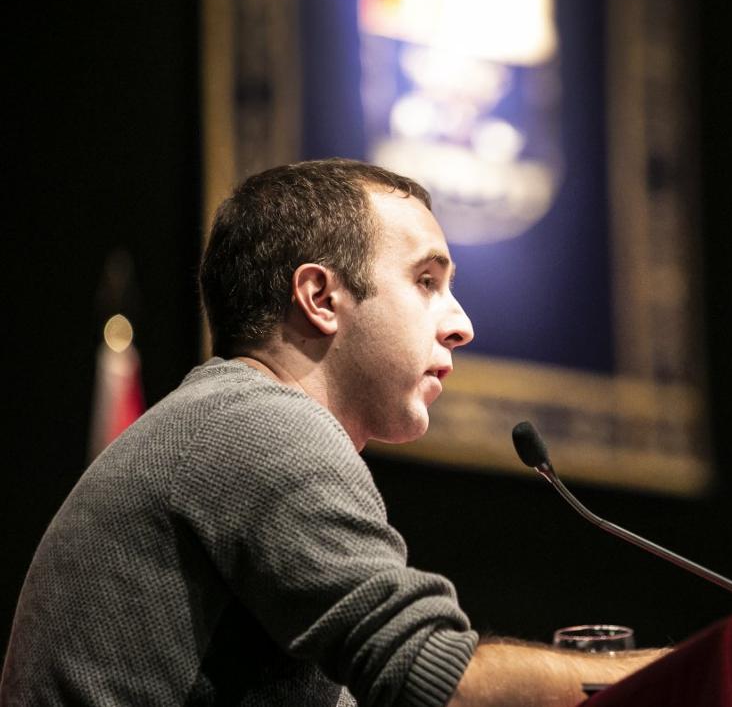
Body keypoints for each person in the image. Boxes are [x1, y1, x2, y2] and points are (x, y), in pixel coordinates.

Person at [1, 159, 665, 706]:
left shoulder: (225, 423)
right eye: (427, 281)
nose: (461, 323)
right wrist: (690, 672)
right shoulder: (260, 426)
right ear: (320, 298)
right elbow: (434, 680)